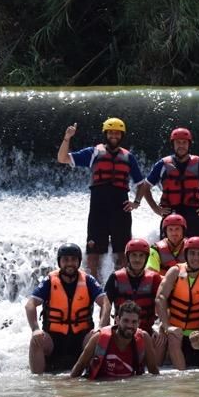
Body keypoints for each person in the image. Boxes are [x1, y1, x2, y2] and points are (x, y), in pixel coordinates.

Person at [57, 118, 146, 279]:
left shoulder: (128, 157)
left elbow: (142, 184)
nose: (114, 135)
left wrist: (136, 202)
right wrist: (67, 138)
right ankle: (94, 289)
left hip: (121, 208)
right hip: (98, 207)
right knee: (93, 253)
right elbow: (62, 158)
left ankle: (121, 286)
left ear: (122, 135)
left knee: (122, 252)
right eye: (111, 132)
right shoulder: (93, 152)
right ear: (106, 134)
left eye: (117, 133)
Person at [25, 243, 106, 374]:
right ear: (59, 262)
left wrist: (101, 327)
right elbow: (30, 304)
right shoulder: (49, 281)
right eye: (65, 260)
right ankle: (37, 383)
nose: (70, 263)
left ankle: (93, 377)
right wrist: (35, 329)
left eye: (74, 260)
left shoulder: (88, 280)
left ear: (79, 261)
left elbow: (105, 302)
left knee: (99, 337)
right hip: (54, 340)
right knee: (37, 339)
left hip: (81, 339)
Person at [154, 236, 199, 370]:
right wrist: (167, 326)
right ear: (186, 254)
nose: (196, 258)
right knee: (170, 338)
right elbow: (160, 297)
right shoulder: (175, 271)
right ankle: (181, 379)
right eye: (192, 253)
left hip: (197, 331)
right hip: (175, 330)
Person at [101, 238, 166, 365]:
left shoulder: (154, 278)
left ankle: (155, 377)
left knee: (162, 341)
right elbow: (106, 305)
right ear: (128, 257)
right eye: (134, 255)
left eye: (141, 256)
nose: (137, 259)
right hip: (122, 331)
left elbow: (162, 303)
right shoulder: (115, 277)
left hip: (146, 330)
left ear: (146, 258)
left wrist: (162, 328)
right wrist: (103, 328)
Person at [140, 127, 199, 239]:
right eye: (178, 142)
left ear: (189, 144)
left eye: (184, 142)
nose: (181, 145)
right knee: (167, 249)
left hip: (195, 211)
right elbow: (145, 187)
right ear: (173, 144)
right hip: (171, 212)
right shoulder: (162, 164)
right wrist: (156, 208)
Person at [70, 301, 160, 379]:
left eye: (134, 322)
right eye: (125, 320)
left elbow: (154, 372)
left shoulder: (144, 338)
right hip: (101, 389)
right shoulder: (99, 338)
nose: (130, 326)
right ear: (117, 320)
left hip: (131, 390)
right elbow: (79, 367)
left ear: (139, 323)